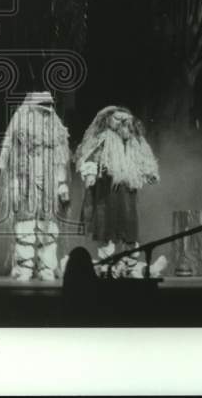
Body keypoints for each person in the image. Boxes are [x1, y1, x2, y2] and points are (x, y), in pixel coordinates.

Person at [75, 105, 162, 276]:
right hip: (107, 189)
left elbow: (143, 157)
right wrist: (90, 173)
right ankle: (107, 262)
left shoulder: (134, 141)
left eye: (126, 121)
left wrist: (150, 172)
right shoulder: (103, 138)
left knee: (128, 222)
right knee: (108, 223)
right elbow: (90, 155)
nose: (124, 124)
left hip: (127, 189)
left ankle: (128, 261)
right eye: (119, 120)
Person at [0, 91, 71, 281]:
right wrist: (14, 184)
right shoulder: (19, 132)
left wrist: (61, 184)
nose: (45, 114)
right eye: (41, 110)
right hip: (25, 185)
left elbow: (60, 160)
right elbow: (8, 160)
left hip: (48, 186)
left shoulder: (55, 135)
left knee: (48, 227)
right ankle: (25, 267)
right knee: (25, 226)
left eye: (47, 110)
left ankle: (46, 267)